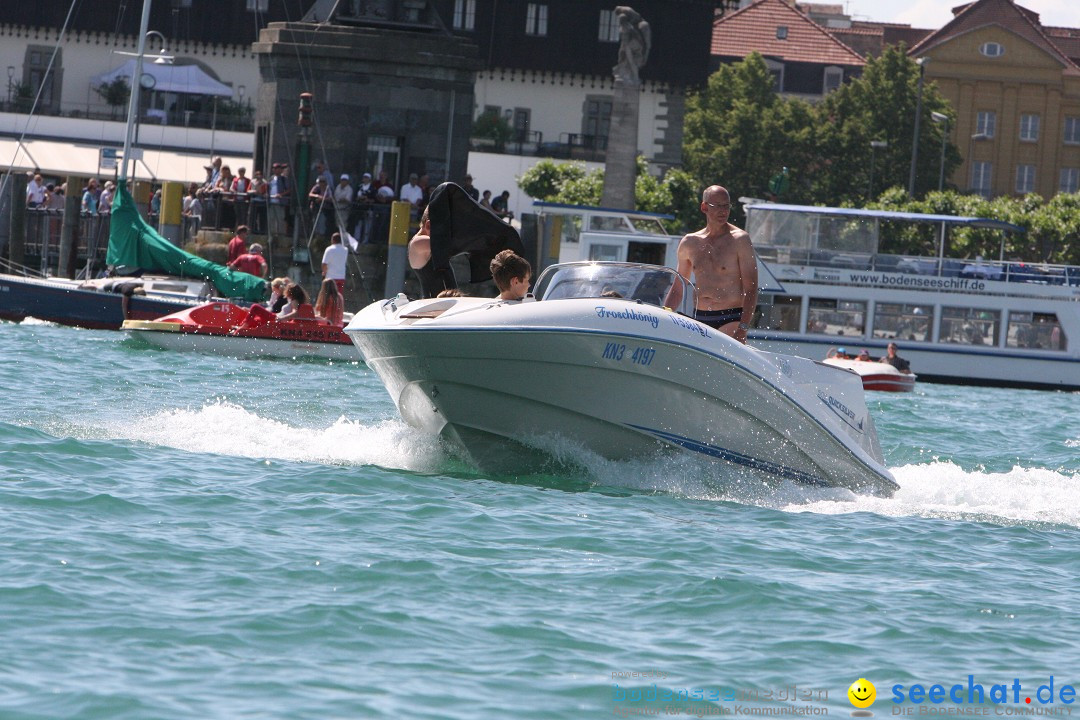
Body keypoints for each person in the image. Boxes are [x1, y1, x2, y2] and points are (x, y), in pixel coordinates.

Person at [674, 185, 758, 343]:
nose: (723, 211)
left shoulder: (740, 240)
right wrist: (664, 315)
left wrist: (743, 328)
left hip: (731, 317)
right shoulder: (689, 242)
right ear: (704, 207)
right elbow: (678, 287)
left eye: (726, 206)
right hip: (700, 316)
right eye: (717, 206)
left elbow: (751, 288)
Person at [322, 231, 348, 296]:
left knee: (329, 296)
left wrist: (324, 273)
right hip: (341, 277)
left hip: (331, 277)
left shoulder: (329, 249)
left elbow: (324, 264)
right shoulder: (345, 250)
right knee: (339, 296)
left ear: (333, 240)